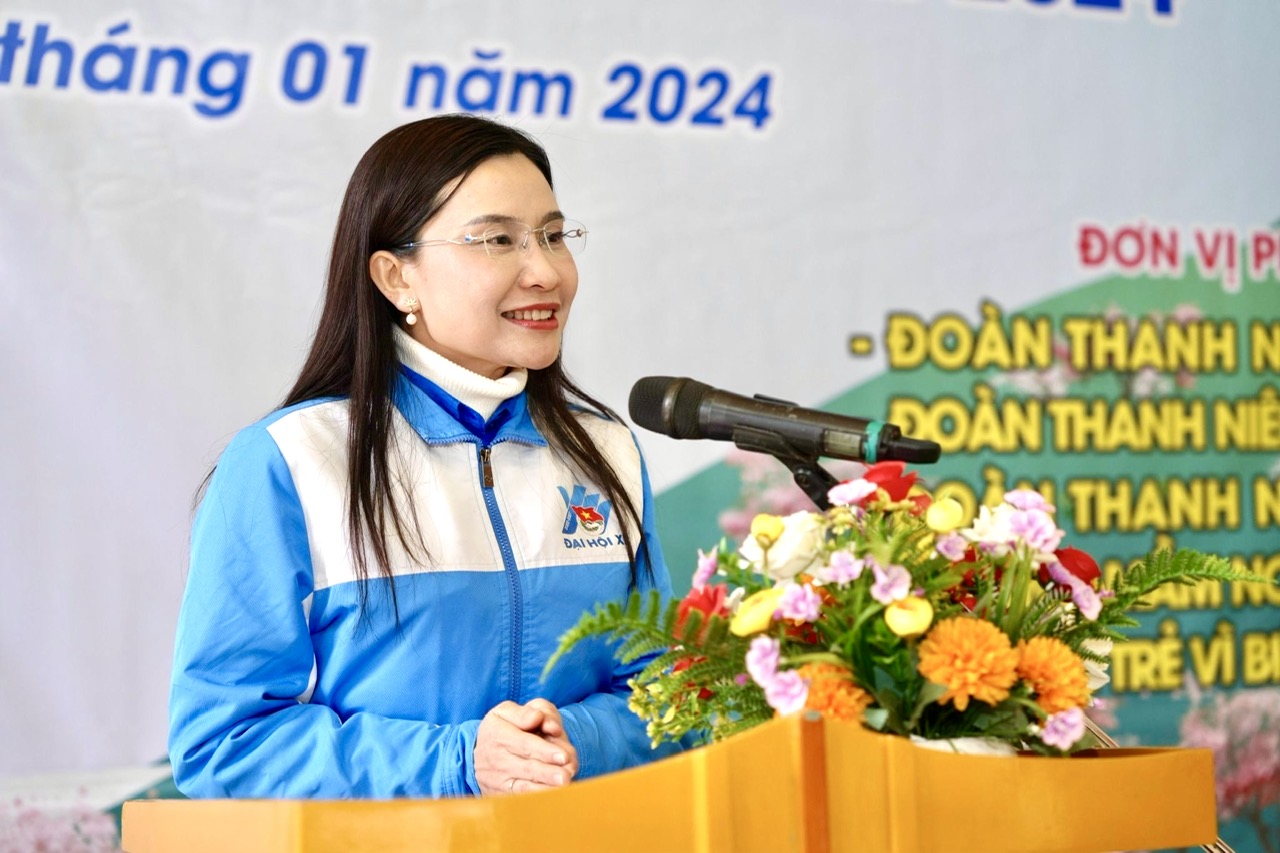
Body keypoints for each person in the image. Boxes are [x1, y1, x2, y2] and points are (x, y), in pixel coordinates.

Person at [168, 114, 683, 798]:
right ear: (395, 277)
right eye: (497, 239)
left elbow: (671, 696)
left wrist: (575, 741)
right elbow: (223, 742)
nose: (545, 271)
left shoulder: (604, 451)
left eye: (553, 236)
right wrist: (459, 762)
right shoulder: (290, 461)